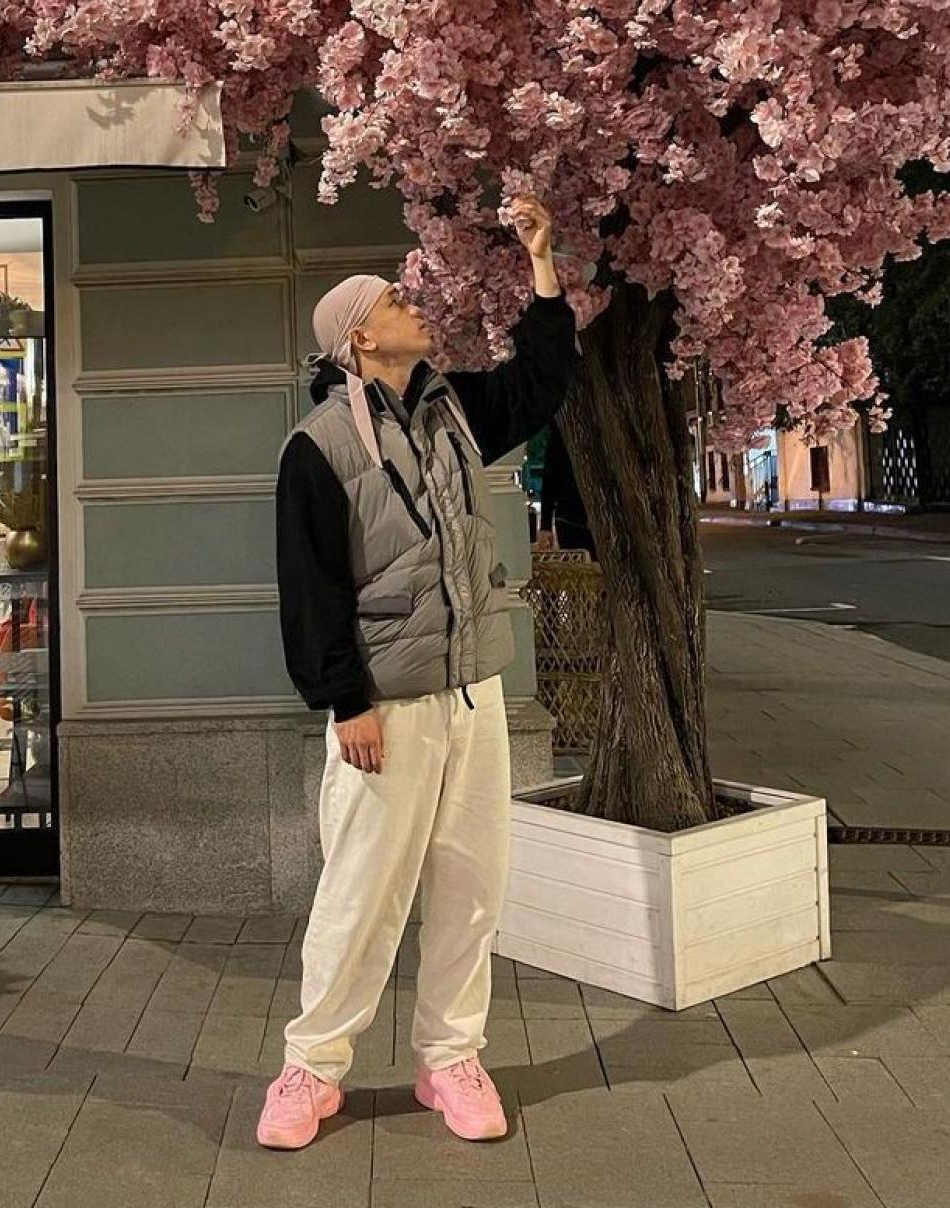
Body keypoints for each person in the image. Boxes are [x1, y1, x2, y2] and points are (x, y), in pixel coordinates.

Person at [264, 197, 578, 1150]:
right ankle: (312, 1068)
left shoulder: (455, 411)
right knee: (362, 891)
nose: (417, 304)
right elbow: (310, 587)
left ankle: (451, 1059)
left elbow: (544, 380)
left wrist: (542, 263)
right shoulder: (317, 448)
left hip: (472, 691)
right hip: (385, 709)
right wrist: (345, 702)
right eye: (396, 300)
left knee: (472, 883)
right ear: (359, 337)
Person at [535, 419, 596, 558]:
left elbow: (549, 481)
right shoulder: (560, 440)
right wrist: (545, 525)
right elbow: (549, 481)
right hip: (571, 518)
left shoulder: (560, 440)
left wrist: (545, 525)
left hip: (570, 516)